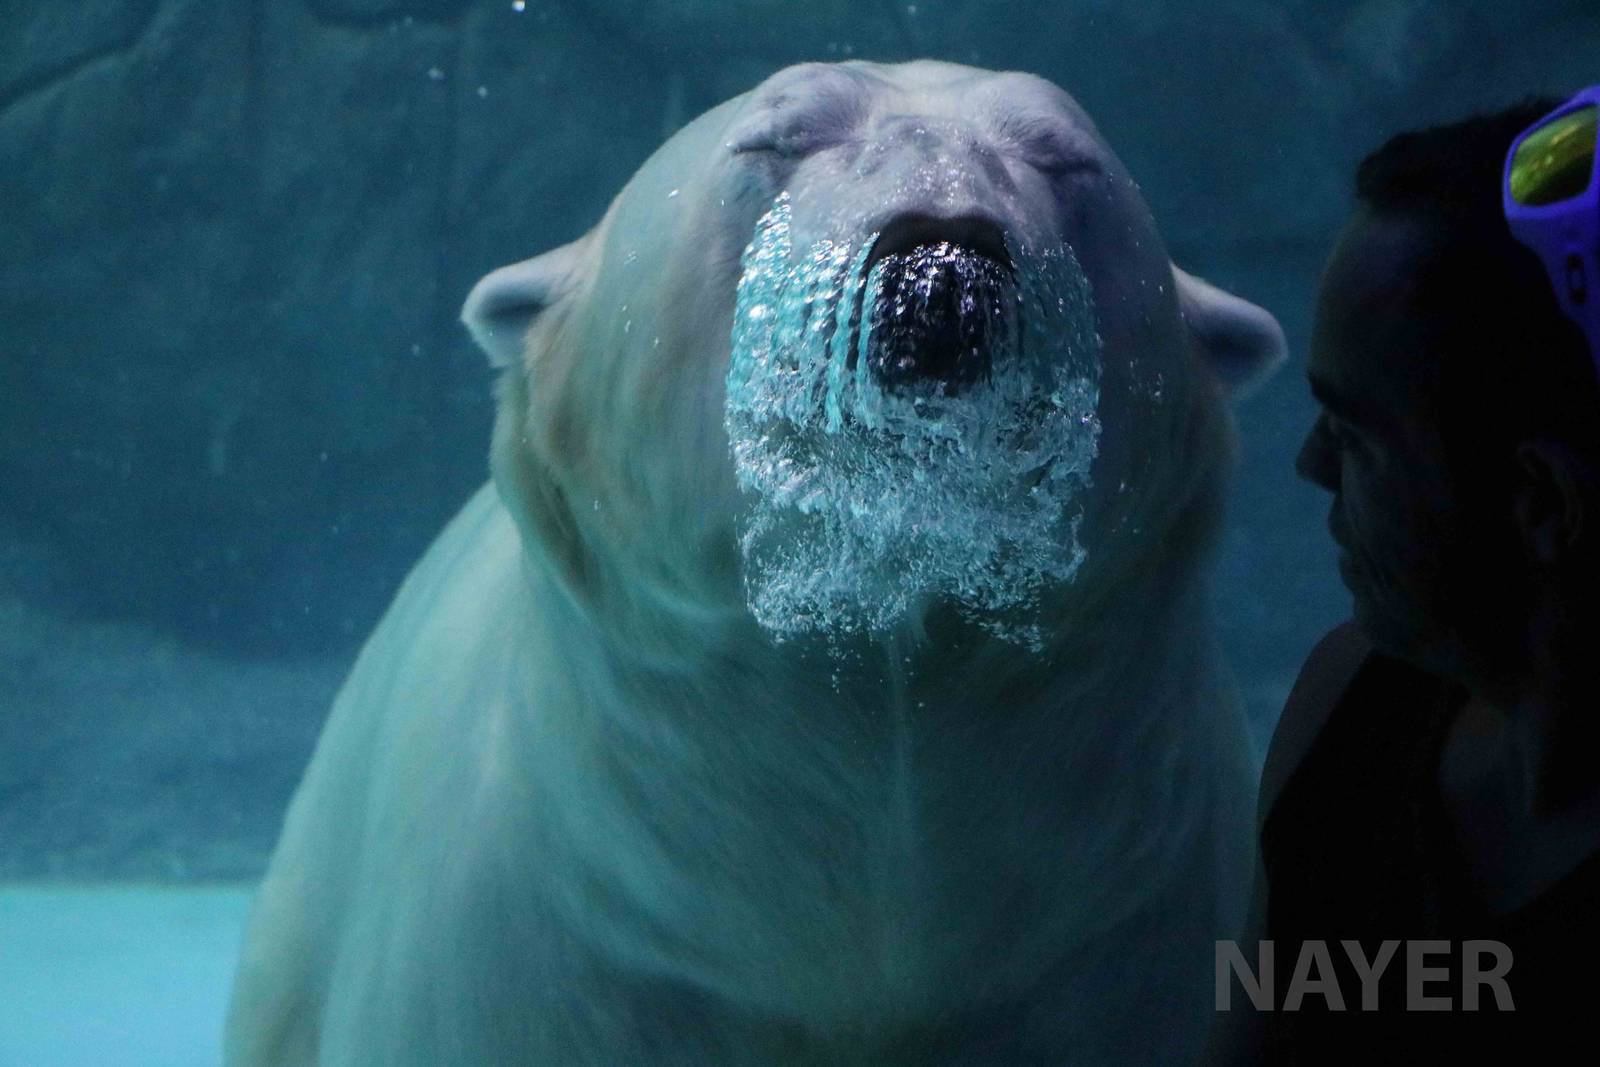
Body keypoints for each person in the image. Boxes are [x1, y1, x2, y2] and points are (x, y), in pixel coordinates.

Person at [1208, 91, 1600, 1064]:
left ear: (1539, 502)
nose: (1307, 464)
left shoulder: (1349, 713)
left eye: (1355, 432)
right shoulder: (1346, 709)